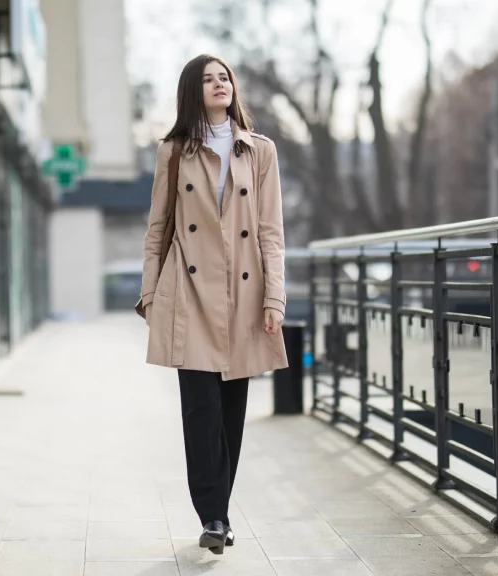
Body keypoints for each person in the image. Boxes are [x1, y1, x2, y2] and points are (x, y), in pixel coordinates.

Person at [137, 54, 288, 555]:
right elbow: (158, 226)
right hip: (189, 291)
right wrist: (150, 294)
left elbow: (270, 234)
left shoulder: (259, 151)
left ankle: (218, 511)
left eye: (224, 77)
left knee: (230, 411)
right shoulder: (175, 151)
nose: (219, 84)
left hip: (243, 293)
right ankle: (215, 517)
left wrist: (275, 298)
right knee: (199, 409)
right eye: (208, 78)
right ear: (191, 90)